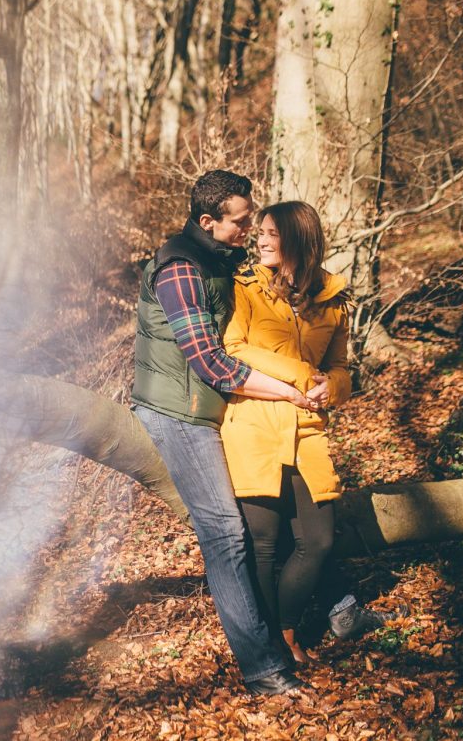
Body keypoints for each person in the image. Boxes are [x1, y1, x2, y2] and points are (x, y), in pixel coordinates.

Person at [132, 170, 319, 696]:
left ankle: (326, 610)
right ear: (208, 221)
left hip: (216, 410)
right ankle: (263, 669)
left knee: (276, 522)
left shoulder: (220, 258)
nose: (250, 229)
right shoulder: (179, 269)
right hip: (179, 414)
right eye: (241, 222)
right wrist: (287, 390)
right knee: (227, 533)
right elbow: (213, 363)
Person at [220, 200, 405, 664]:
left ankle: (283, 632)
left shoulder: (333, 300)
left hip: (307, 428)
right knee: (262, 542)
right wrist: (302, 375)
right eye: (259, 232)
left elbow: (341, 367)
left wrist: (333, 386)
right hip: (255, 422)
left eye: (270, 234)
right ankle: (275, 648)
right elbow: (234, 346)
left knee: (318, 540)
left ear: (298, 240)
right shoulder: (246, 289)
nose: (260, 240)